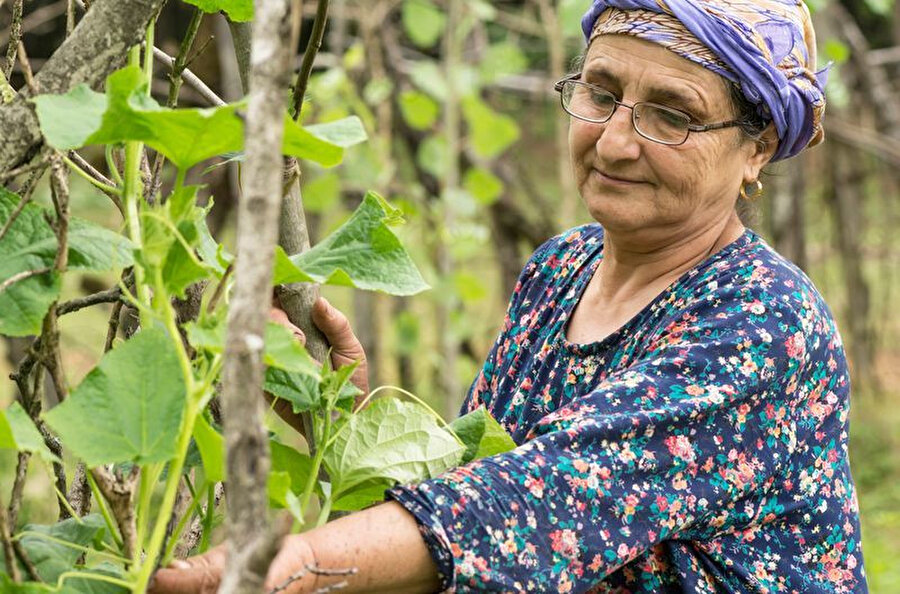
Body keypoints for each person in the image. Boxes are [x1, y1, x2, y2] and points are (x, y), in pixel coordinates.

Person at [150, 0, 868, 592]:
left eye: (671, 115)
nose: (614, 143)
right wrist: (344, 415)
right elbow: (477, 482)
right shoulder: (562, 269)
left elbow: (541, 502)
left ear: (758, 146)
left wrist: (290, 568)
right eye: (601, 94)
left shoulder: (765, 321)